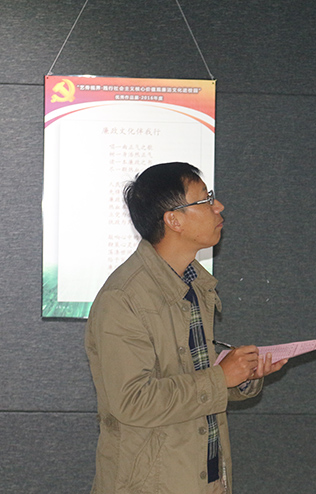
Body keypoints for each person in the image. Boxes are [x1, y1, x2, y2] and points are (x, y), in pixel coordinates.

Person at [85, 162, 287, 494]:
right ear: (174, 220)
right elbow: (133, 400)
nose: (218, 206)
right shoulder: (123, 298)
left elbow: (188, 382)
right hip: (151, 485)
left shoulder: (195, 284)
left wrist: (241, 375)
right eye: (205, 199)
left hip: (205, 478)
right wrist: (220, 378)